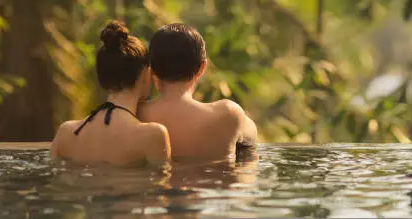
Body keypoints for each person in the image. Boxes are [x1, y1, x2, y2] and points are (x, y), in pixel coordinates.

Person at [51, 21, 171, 166]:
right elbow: (160, 186)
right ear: (146, 75)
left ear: (101, 77)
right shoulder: (152, 135)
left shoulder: (66, 133)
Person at [139, 23, 258, 161]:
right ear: (202, 68)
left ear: (151, 69)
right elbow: (252, 137)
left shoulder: (135, 115)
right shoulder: (228, 114)